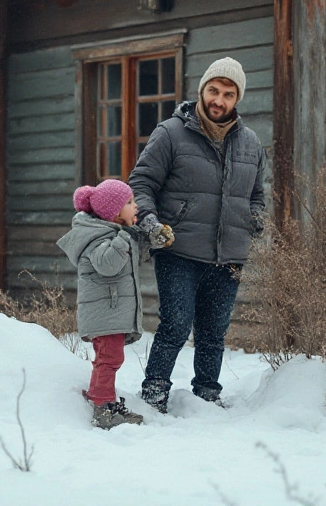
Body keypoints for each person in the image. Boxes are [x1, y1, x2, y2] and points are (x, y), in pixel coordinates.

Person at [129, 57, 268, 413]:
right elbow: (142, 183)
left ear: (237, 99)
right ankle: (155, 392)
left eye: (228, 94)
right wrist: (149, 222)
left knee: (213, 333)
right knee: (176, 324)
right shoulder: (170, 133)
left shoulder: (250, 143)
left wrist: (255, 216)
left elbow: (257, 194)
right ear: (202, 90)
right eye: (213, 90)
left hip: (229, 254)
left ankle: (207, 394)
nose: (218, 100)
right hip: (179, 248)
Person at [56, 179, 171, 429]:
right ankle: (103, 407)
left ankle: (100, 398)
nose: (136, 206)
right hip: (104, 314)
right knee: (110, 359)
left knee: (107, 358)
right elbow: (107, 265)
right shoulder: (97, 237)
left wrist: (151, 240)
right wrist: (124, 238)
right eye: (129, 203)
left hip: (109, 311)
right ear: (114, 213)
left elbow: (131, 256)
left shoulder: (114, 234)